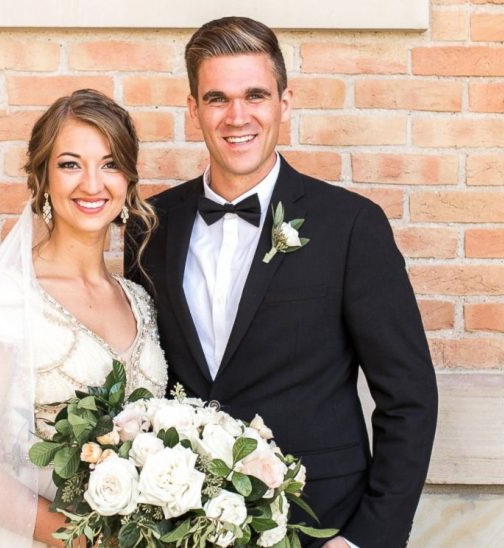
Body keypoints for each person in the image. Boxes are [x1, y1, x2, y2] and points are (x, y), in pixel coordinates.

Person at [125, 16, 438, 548]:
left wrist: (370, 537)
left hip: (319, 523)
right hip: (182, 527)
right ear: (192, 109)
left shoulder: (350, 225)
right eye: (217, 99)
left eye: (255, 95)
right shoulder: (151, 225)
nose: (237, 116)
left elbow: (409, 395)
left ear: (284, 103)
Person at [0, 89, 168, 547]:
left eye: (111, 163)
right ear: (42, 177)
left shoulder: (140, 301)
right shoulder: (7, 300)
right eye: (71, 164)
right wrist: (80, 540)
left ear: (129, 180)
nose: (93, 184)